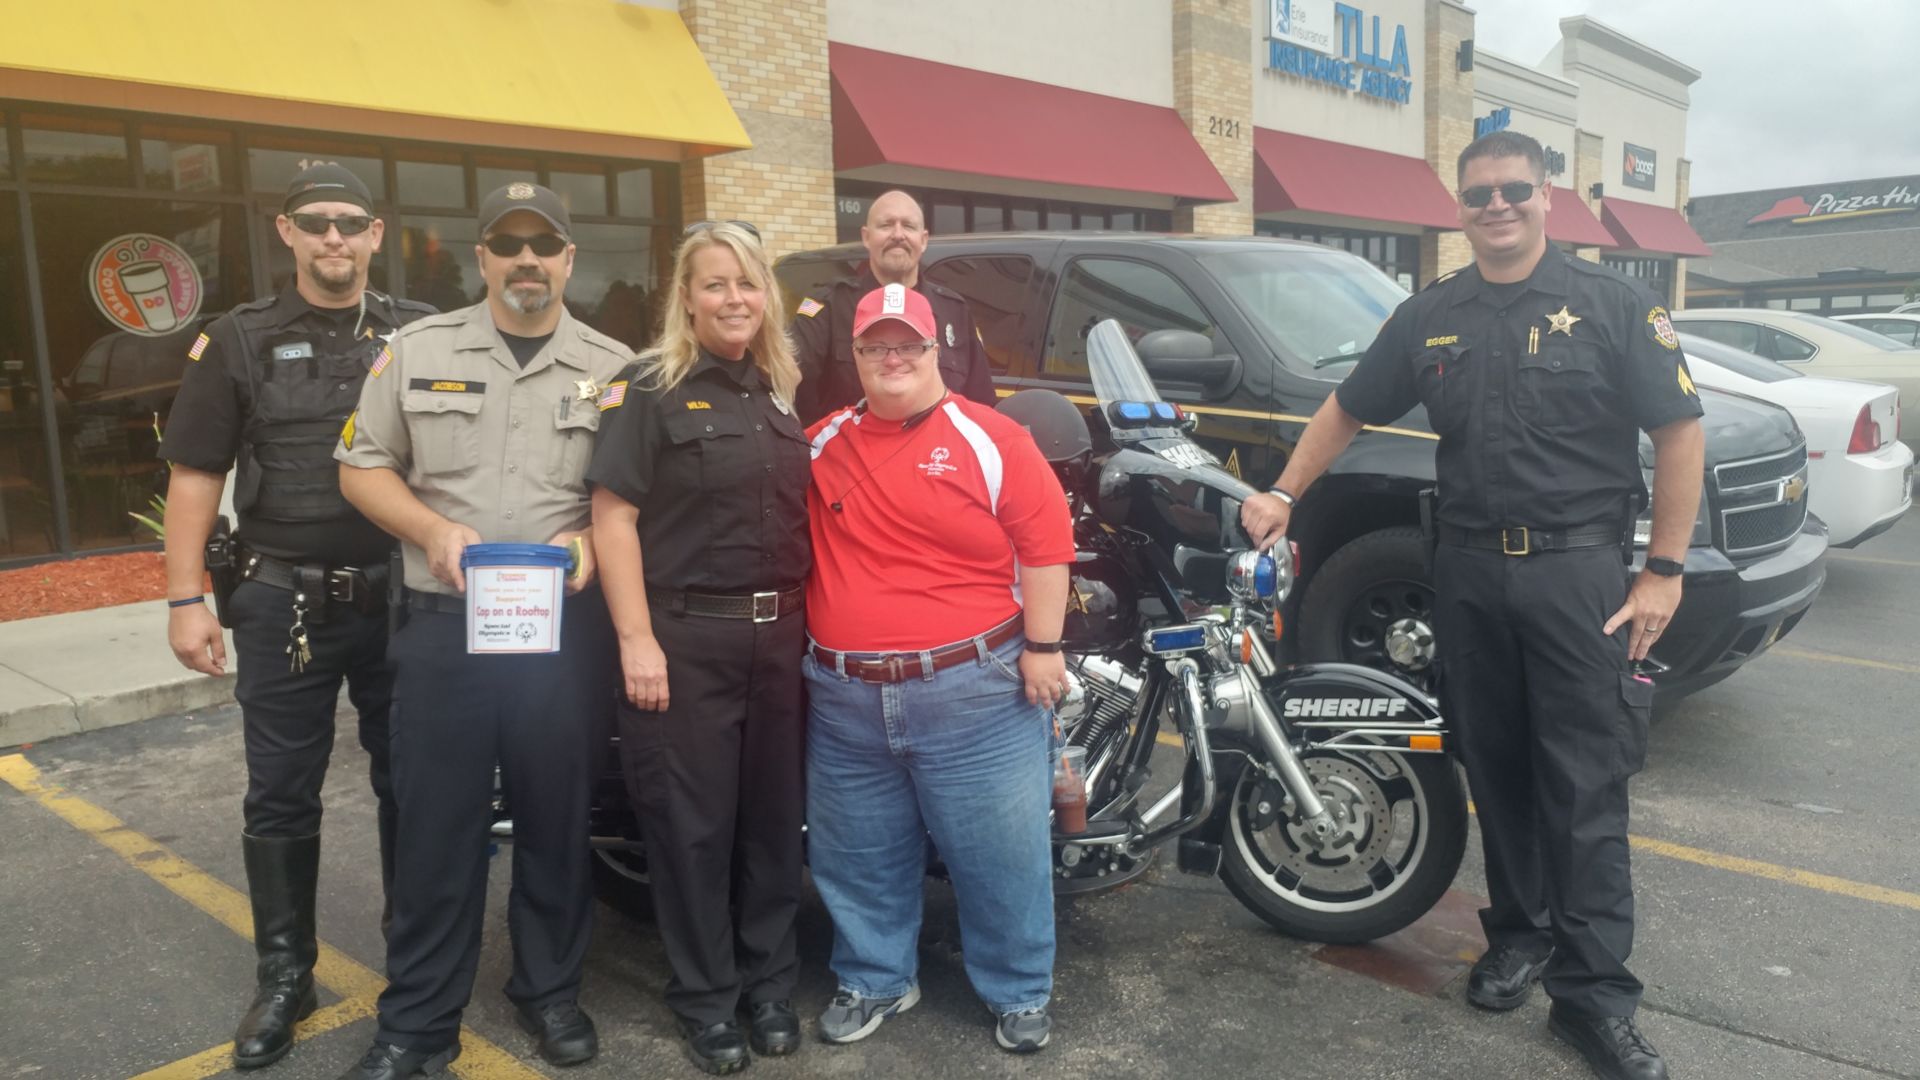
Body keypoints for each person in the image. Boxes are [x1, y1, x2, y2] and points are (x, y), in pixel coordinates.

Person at [1240, 130, 1703, 1080]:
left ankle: (1594, 997)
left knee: (1584, 785)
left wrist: (1664, 566)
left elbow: (1679, 431)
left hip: (1579, 579)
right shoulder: (1431, 316)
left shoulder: (1612, 306)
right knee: (1495, 769)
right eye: (1480, 193)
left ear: (1547, 196)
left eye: (1514, 190)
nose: (1497, 206)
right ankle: (1521, 937)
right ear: (1460, 205)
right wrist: (1284, 493)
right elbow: (1347, 408)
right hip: (1468, 575)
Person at [332, 182, 631, 1080]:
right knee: (437, 827)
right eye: (509, 245)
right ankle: (417, 1024)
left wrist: (588, 544)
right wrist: (429, 531)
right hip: (444, 628)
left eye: (546, 245)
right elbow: (361, 463)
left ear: (570, 259)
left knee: (554, 817)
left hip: (561, 637)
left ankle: (549, 992)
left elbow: (631, 499)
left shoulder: (613, 367)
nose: (527, 260)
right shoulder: (414, 351)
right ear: (484, 258)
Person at [157, 162, 436, 1070]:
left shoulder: (419, 334)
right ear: (286, 233)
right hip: (284, 600)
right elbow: (195, 474)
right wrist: (185, 598)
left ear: (375, 232)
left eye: (349, 223)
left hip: (400, 593)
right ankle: (286, 974)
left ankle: (416, 959)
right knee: (280, 793)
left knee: (414, 782)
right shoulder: (235, 340)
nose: (332, 239)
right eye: (314, 223)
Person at [803, 283, 1074, 1055]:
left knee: (1000, 854)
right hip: (843, 696)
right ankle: (876, 977)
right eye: (874, 346)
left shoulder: (994, 438)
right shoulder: (819, 444)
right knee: (856, 854)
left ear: (935, 351)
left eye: (907, 344)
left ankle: (1018, 990)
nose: (892, 359)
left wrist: (1045, 648)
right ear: (853, 356)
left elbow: (1045, 546)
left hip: (975, 692)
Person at [586, 221, 810, 1076]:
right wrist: (636, 639)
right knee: (692, 831)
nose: (733, 300)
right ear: (686, 296)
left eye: (747, 285)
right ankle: (708, 1000)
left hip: (781, 637)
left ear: (766, 297)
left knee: (771, 827)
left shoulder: (780, 389)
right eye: (715, 284)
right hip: (686, 638)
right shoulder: (647, 387)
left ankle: (769, 985)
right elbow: (614, 517)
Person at [790, 190, 996, 422]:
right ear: (866, 237)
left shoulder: (955, 310)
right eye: (886, 225)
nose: (898, 235)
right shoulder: (829, 306)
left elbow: (981, 402)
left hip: (940, 456)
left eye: (908, 226)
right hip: (854, 454)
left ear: (924, 239)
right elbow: (789, 389)